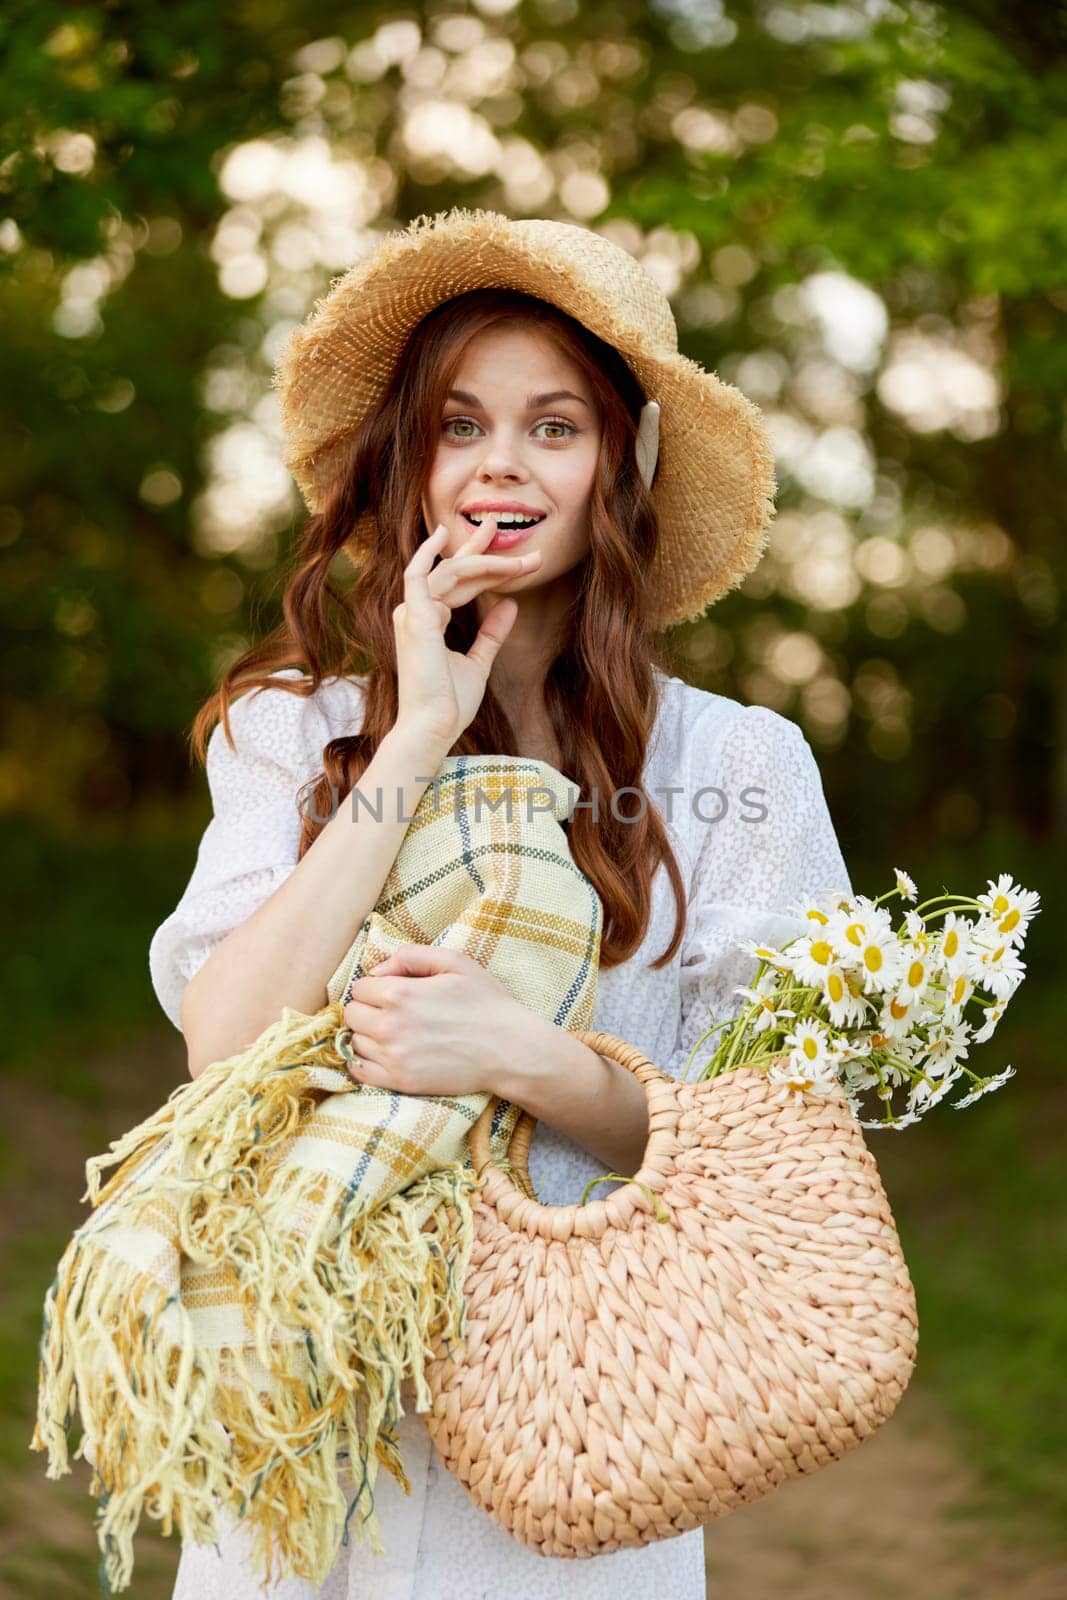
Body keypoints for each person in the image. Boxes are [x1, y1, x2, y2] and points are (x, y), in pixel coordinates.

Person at [149, 209, 853, 1599]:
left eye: (554, 427)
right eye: (459, 425)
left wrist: (530, 1064)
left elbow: (773, 1138)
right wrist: (416, 738)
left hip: (583, 1415)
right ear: (409, 465)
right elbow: (223, 1042)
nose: (499, 469)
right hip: (314, 1406)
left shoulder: (738, 765)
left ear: (616, 470)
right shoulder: (292, 732)